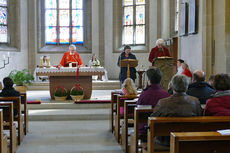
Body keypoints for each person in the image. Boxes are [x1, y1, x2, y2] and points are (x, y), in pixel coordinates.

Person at [151, 75, 202, 147]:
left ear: (172, 87)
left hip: (166, 141)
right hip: (188, 139)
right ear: (187, 87)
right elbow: (200, 119)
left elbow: (152, 121)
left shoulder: (163, 103)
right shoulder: (195, 102)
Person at [137, 68, 170, 136]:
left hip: (146, 129)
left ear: (149, 81)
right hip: (164, 128)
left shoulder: (144, 95)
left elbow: (138, 111)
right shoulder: (166, 94)